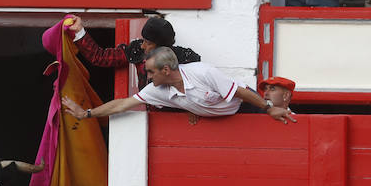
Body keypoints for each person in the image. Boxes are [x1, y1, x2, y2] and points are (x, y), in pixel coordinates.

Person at [61, 46, 295, 122]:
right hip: (220, 116)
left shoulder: (202, 72)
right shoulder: (157, 90)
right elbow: (122, 104)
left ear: (166, 70)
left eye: (151, 72)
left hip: (246, 104)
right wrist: (87, 113)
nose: (148, 77)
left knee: (280, 117)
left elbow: (241, 92)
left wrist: (266, 108)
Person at [66, 12, 201, 70]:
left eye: (148, 42)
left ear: (161, 46)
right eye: (143, 40)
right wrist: (79, 31)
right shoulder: (136, 50)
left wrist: (193, 108)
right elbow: (100, 57)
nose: (142, 46)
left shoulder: (185, 58)